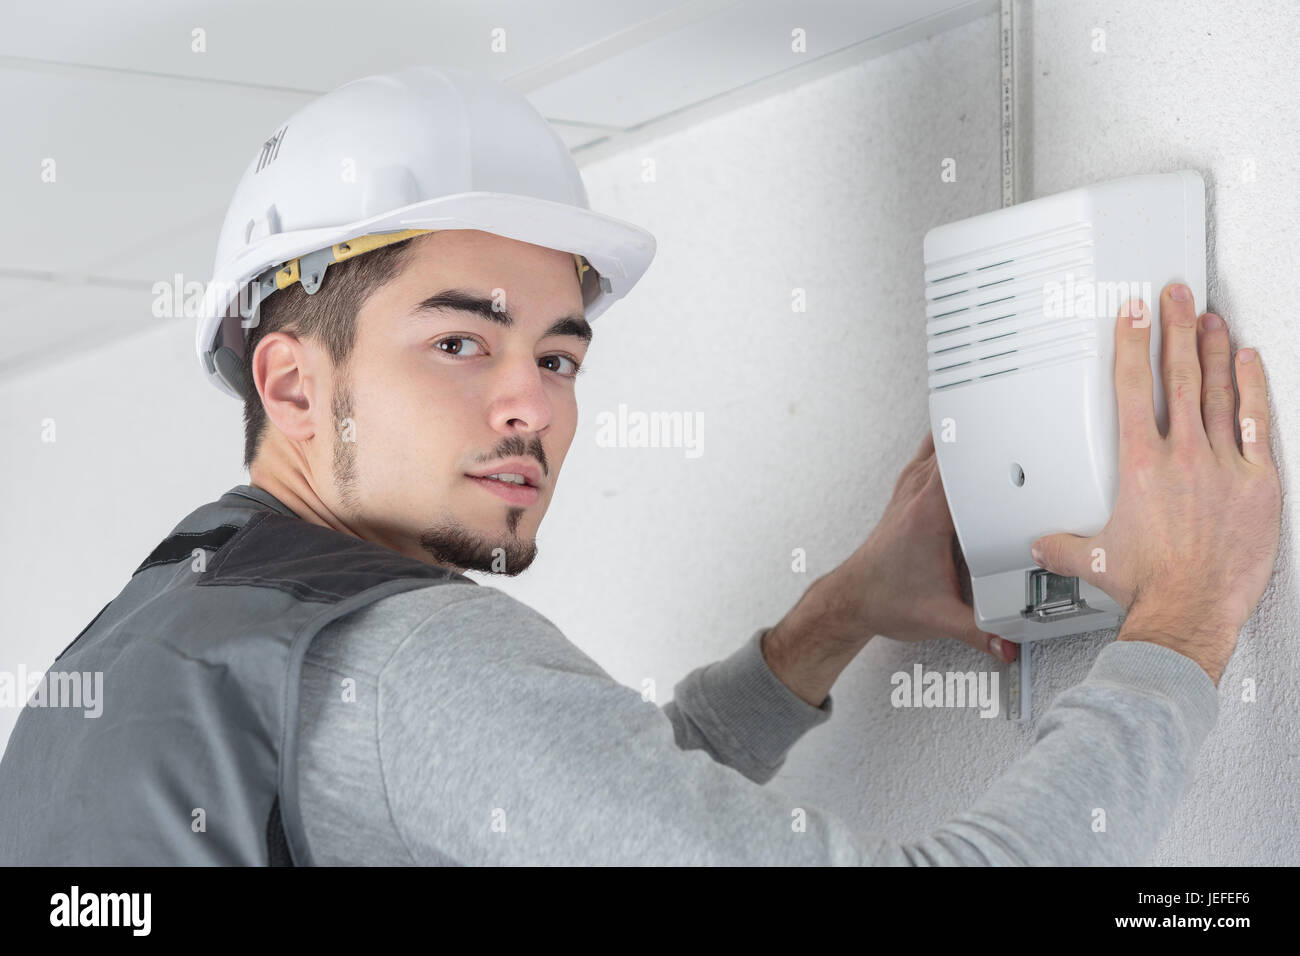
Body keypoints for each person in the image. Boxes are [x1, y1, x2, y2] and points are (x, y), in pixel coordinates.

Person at [0, 67, 1281, 865]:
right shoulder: (404, 657)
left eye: (557, 357)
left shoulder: (156, 635)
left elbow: (559, 815)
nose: (531, 406)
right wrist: (1184, 620)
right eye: (461, 339)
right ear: (292, 380)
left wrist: (826, 624)